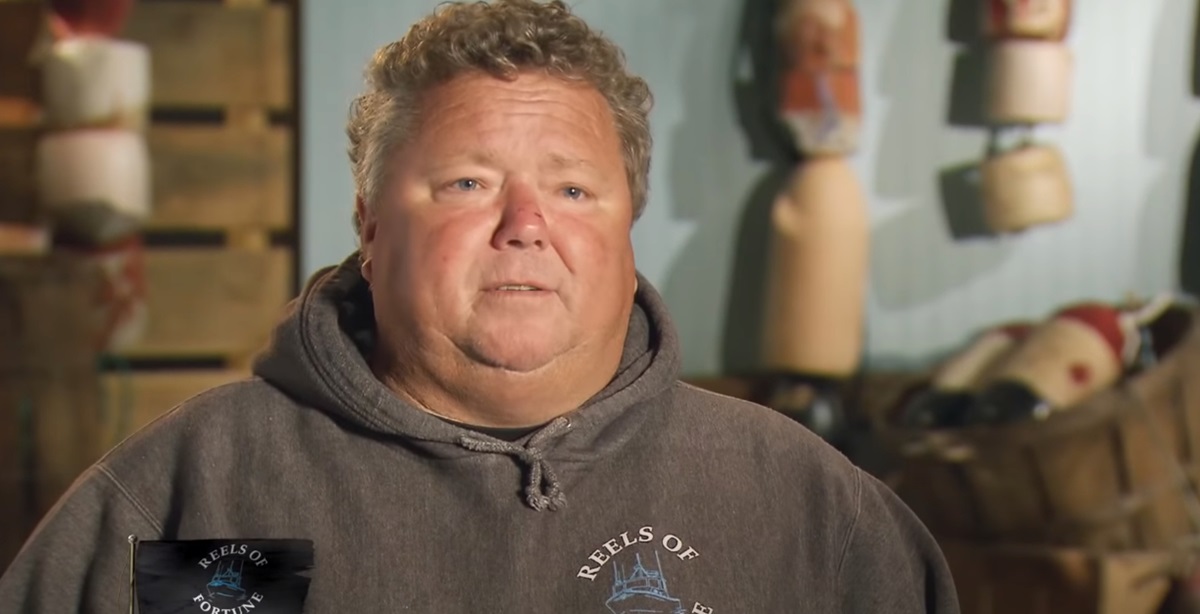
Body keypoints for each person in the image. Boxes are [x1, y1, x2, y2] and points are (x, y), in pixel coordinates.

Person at [0, 0, 960, 611]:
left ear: (628, 226)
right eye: (467, 184)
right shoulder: (195, 492)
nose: (526, 225)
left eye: (574, 190)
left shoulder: (808, 510)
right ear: (371, 225)